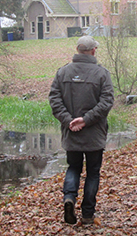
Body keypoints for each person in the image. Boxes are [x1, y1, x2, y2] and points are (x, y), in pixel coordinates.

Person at [49, 35, 114, 225]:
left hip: (72, 133)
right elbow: (107, 102)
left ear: (77, 50)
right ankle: (87, 214)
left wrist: (69, 121)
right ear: (94, 51)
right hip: (94, 134)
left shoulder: (62, 73)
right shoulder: (102, 74)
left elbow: (54, 100)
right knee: (93, 173)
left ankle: (69, 198)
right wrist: (86, 120)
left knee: (73, 168)